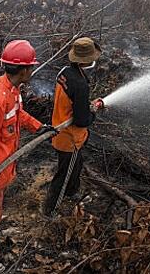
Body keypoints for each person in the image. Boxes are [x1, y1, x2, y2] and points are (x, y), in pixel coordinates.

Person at [0, 40, 55, 273]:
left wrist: (39, 127)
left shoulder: (11, 88)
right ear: (25, 69)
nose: (33, 71)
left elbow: (18, 114)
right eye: (32, 67)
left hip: (5, 164)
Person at [42, 37, 104, 215]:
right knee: (64, 174)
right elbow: (81, 120)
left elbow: (71, 103)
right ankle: (50, 211)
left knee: (75, 166)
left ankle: (71, 193)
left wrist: (85, 106)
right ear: (89, 60)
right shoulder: (80, 84)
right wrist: (92, 113)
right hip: (69, 138)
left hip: (60, 128)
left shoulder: (64, 72)